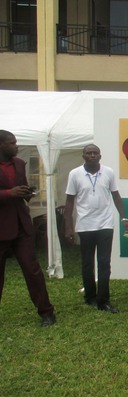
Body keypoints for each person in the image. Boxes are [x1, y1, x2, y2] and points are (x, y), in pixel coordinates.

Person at [64, 144, 128, 313]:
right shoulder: (75, 174)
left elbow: (116, 195)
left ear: (100, 156)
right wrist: (68, 227)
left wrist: (124, 218)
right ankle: (90, 297)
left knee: (104, 263)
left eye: (95, 153)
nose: (92, 155)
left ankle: (103, 300)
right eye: (89, 153)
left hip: (105, 224)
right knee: (87, 263)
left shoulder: (108, 172)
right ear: (83, 156)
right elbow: (69, 201)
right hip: (85, 224)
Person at [0, 130, 56, 327]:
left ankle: (47, 312)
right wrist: (9, 193)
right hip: (2, 227)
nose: (16, 146)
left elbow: (21, 187)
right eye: (12, 143)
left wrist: (26, 193)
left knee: (33, 271)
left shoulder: (19, 164)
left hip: (22, 226)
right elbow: (10, 192)